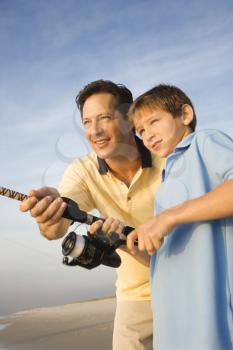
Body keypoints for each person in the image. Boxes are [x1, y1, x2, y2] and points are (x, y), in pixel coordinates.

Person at [20, 80, 164, 350]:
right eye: (86, 122)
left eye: (104, 118)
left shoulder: (166, 152)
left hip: (194, 281)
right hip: (135, 295)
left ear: (130, 119)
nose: (94, 131)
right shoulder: (81, 171)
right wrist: (49, 215)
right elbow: (56, 227)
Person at [124, 84, 233, 349]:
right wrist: (132, 245)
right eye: (141, 131)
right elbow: (164, 258)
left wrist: (168, 217)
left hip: (208, 316)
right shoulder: (166, 180)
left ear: (185, 115)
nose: (147, 135)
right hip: (173, 318)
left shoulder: (203, 142)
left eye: (153, 122)